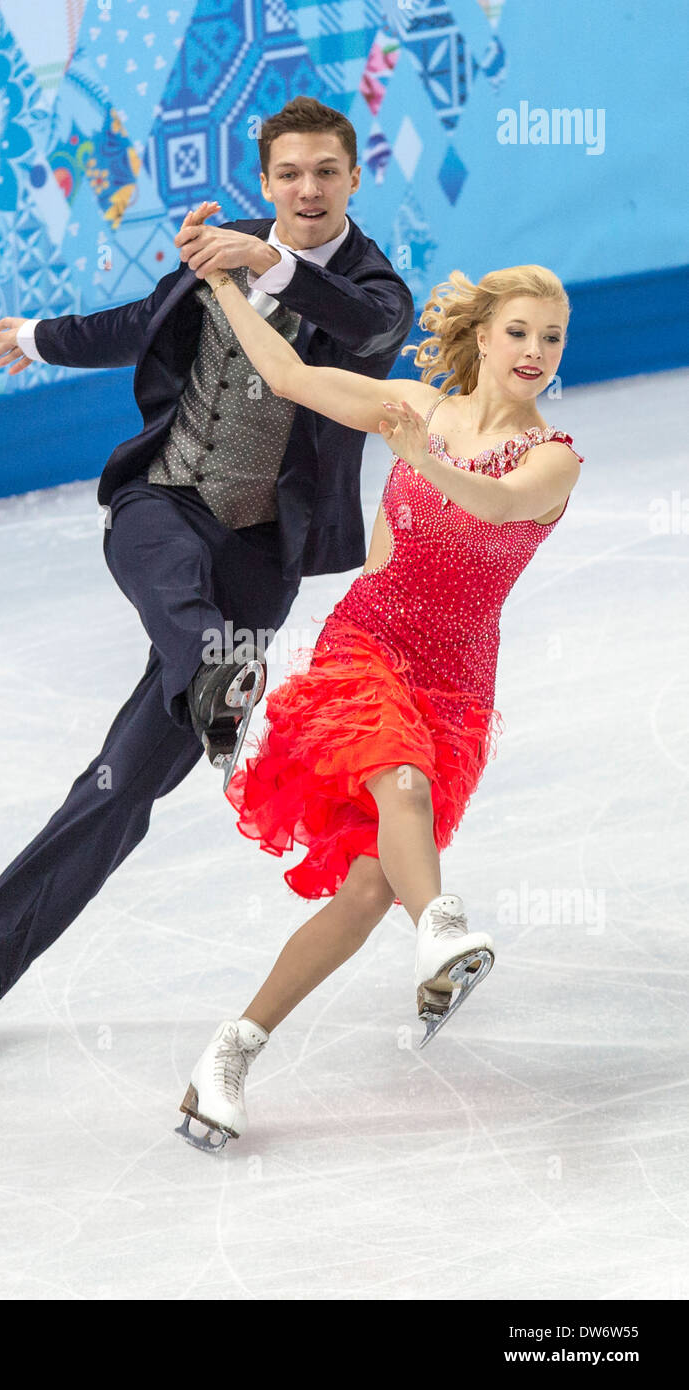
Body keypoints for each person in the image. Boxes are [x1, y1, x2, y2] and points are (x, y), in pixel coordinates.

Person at [0, 97, 414, 1053]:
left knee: (120, 786)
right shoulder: (216, 248)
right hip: (165, 496)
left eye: (326, 172)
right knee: (159, 553)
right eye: (289, 174)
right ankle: (215, 676)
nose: (308, 190)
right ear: (265, 181)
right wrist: (35, 337)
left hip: (257, 558)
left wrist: (265, 265)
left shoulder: (375, 289)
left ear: (353, 179)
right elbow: (134, 325)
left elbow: (357, 329)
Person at [175, 262, 584, 1151]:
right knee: (399, 783)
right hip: (368, 645)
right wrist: (228, 291)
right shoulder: (416, 407)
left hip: (457, 683)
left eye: (551, 338)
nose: (535, 352)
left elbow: (491, 505)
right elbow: (289, 378)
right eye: (519, 332)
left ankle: (230, 1052)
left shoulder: (552, 459)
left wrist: (426, 462)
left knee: (366, 888)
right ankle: (440, 930)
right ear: (483, 336)